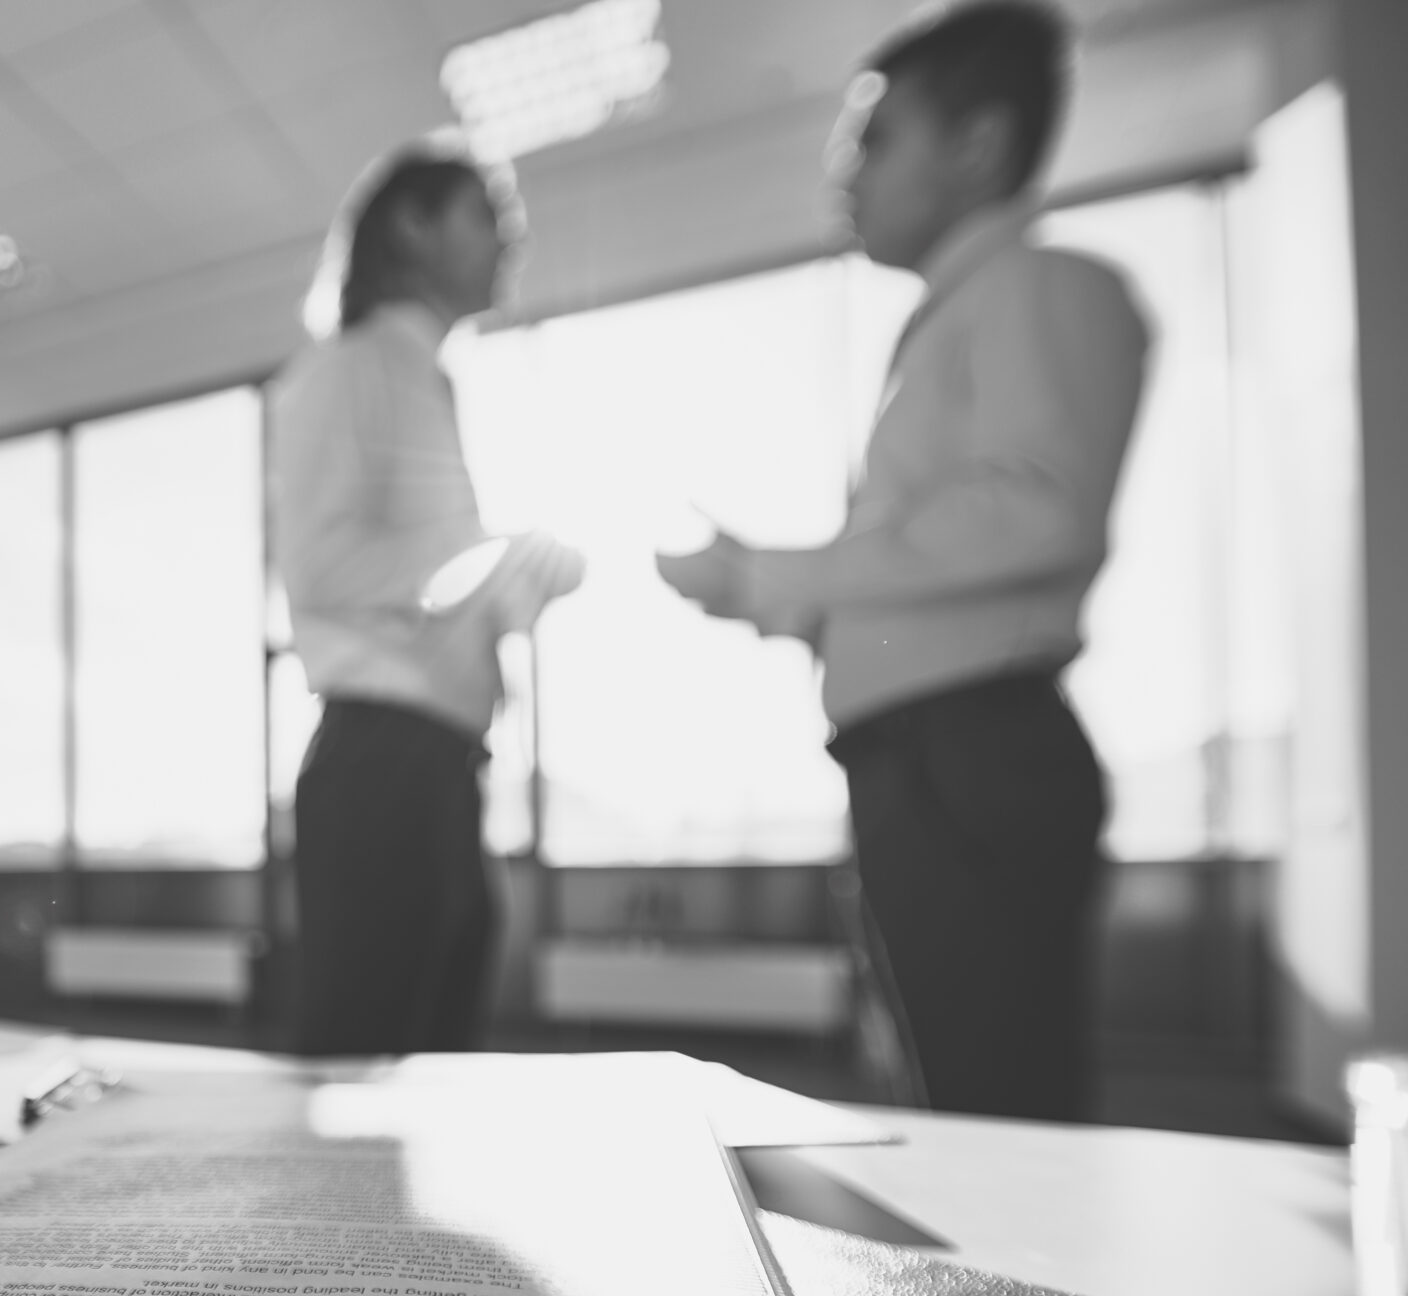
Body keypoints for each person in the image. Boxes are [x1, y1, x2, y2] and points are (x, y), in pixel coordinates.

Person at [658, 0, 1146, 1121]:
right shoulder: (954, 317)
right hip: (922, 762)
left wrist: (785, 569)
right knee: (954, 1097)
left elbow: (1035, 515)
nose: (841, 169)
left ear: (976, 143)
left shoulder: (1040, 288)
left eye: (872, 136)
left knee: (993, 1110)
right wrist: (756, 589)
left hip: (969, 757)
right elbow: (931, 577)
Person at [270, 142, 584, 1056]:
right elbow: (323, 568)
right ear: (413, 225)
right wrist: (491, 559)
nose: (512, 237)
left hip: (440, 771)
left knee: (430, 1063)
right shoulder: (349, 369)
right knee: (363, 1065)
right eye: (488, 213)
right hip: (382, 767)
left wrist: (520, 582)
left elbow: (433, 582)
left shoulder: (421, 379)